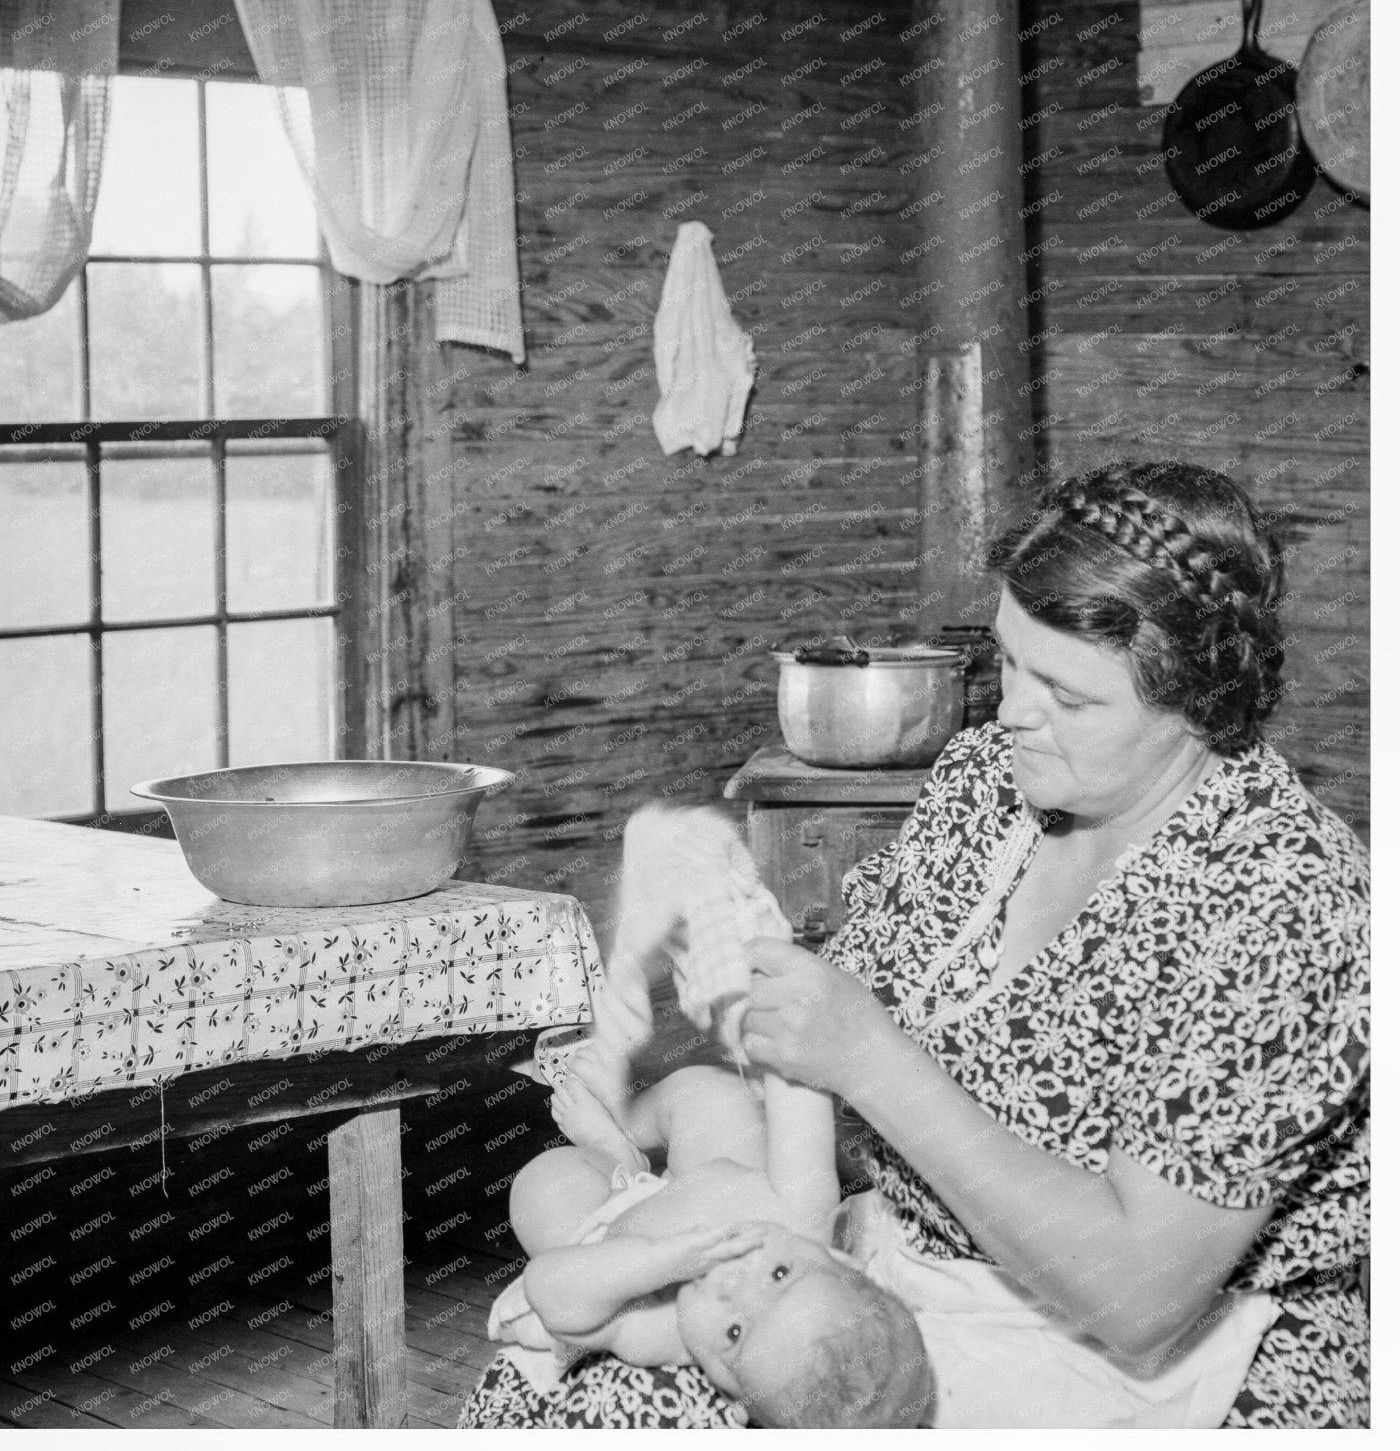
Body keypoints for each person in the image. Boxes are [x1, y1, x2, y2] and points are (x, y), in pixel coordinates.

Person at [462, 460, 1369, 1429]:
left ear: (1196, 705)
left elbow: (1138, 1298)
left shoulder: (1285, 905)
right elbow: (837, 1030)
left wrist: (866, 1056)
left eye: (1064, 693)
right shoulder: (987, 783)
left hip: (1151, 1359)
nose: (1012, 708)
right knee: (546, 1395)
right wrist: (750, 983)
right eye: (1009, 660)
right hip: (901, 1267)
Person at [491, 1046, 933, 1428]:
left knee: (541, 1189)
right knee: (714, 1094)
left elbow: (550, 1290)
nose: (731, 1284)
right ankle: (628, 1113)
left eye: (734, 1332)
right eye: (780, 1274)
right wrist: (755, 1028)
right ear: (845, 1260)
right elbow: (800, 1099)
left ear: (731, 1398)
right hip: (695, 1182)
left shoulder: (661, 1331)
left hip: (603, 1226)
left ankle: (610, 1151)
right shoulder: (805, 1211)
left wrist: (656, 1262)